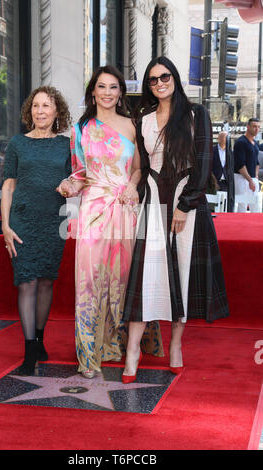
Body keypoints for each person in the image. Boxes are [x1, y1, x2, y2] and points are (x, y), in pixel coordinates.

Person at [122, 57, 230, 383]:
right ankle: (132, 353)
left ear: (175, 77)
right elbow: (141, 166)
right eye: (153, 80)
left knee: (182, 274)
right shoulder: (144, 118)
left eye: (164, 76)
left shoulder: (197, 114)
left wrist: (185, 206)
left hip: (188, 205)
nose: (160, 83)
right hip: (154, 202)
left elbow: (203, 162)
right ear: (149, 86)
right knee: (145, 278)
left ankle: (176, 346)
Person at [57, 65, 163, 379]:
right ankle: (89, 354)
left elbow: (138, 168)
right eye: (101, 87)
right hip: (92, 210)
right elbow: (79, 173)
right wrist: (70, 185)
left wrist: (131, 185)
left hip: (125, 210)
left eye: (113, 87)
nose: (107, 93)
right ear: (93, 92)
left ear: (120, 93)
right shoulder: (81, 128)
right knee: (89, 279)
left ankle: (117, 344)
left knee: (124, 277)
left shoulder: (133, 125)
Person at [1, 86, 72, 375]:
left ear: (57, 112)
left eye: (46, 106)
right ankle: (29, 349)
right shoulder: (18, 143)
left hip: (54, 222)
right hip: (22, 222)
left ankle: (40, 338)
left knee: (45, 282)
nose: (40, 111)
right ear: (30, 111)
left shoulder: (66, 145)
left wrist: (70, 186)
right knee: (26, 281)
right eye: (36, 106)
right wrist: (5, 225)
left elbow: (75, 181)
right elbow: (8, 184)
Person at [233, 118, 260, 212]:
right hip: (241, 178)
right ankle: (240, 226)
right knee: (242, 206)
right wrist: (250, 180)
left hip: (252, 178)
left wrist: (255, 177)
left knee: (256, 206)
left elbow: (257, 162)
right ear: (248, 127)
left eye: (258, 127)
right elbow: (240, 164)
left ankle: (257, 226)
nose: (257, 129)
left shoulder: (256, 143)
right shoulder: (241, 142)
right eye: (254, 126)